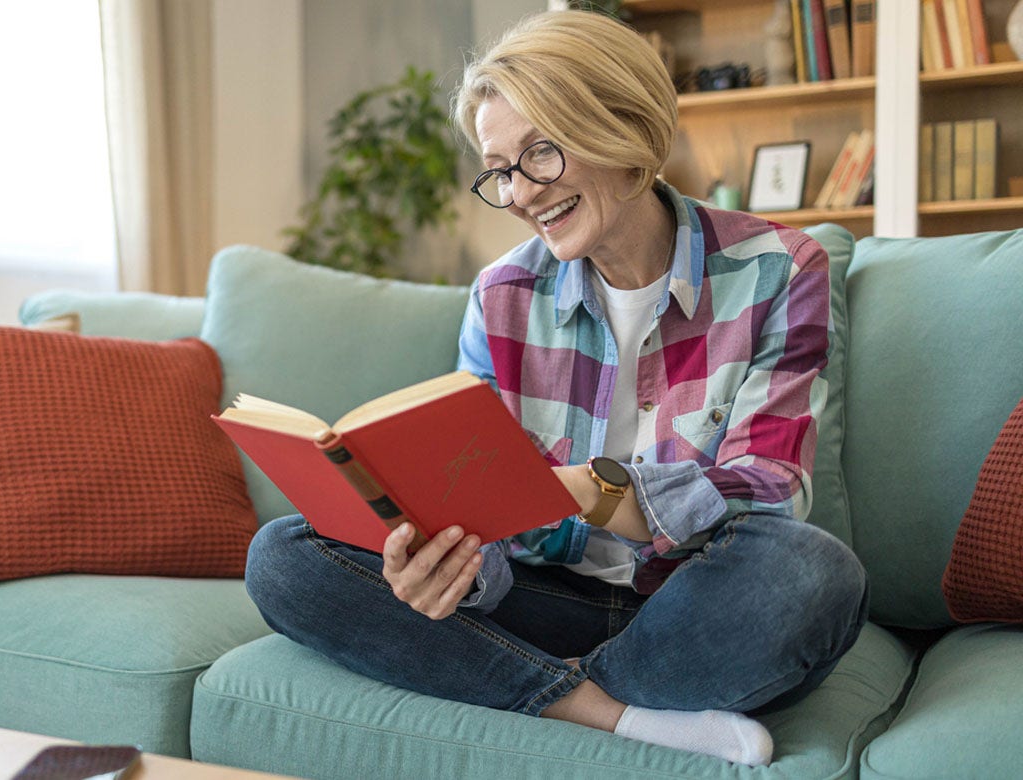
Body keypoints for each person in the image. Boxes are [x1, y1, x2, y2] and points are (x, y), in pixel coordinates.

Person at [245, 10, 868, 767]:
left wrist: (584, 490)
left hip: (693, 605)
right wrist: (448, 570)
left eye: (539, 152)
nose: (518, 194)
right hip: (540, 599)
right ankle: (601, 711)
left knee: (812, 574)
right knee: (283, 555)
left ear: (622, 126)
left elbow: (768, 495)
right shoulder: (501, 294)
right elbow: (481, 515)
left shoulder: (779, 269)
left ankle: (520, 686)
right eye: (500, 170)